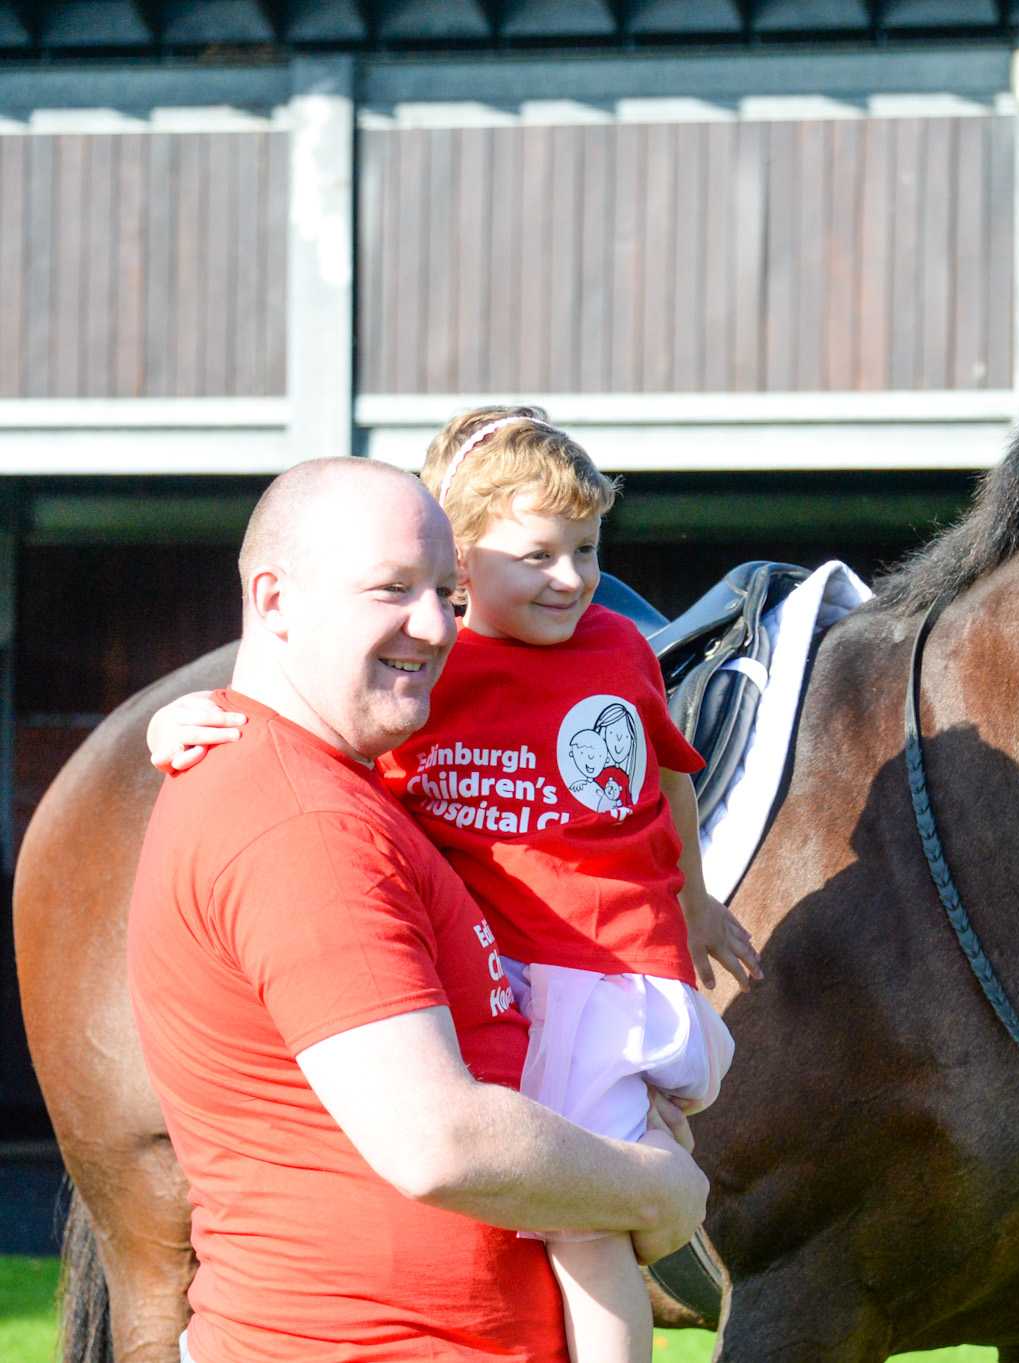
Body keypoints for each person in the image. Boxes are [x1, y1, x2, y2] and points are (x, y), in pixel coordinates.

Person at [149, 411, 763, 1363]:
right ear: (272, 601)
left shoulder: (341, 778)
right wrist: (648, 1185)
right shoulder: (302, 824)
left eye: (443, 591)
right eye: (393, 589)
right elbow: (436, 1140)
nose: (436, 626)